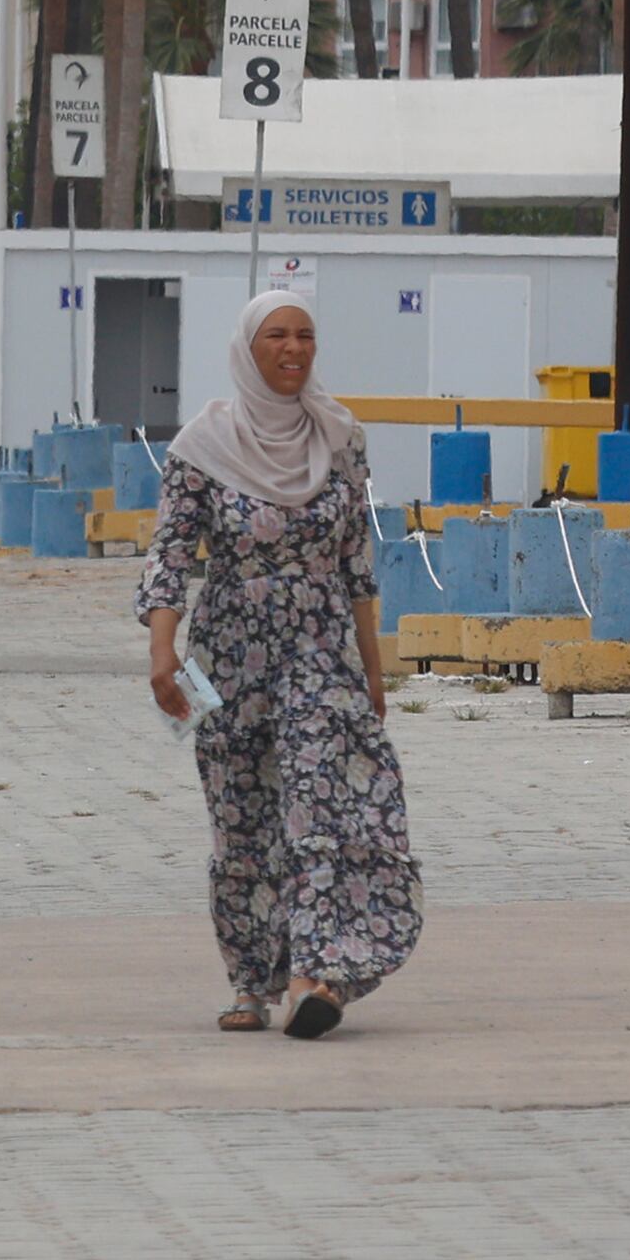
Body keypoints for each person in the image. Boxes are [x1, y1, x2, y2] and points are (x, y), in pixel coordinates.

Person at [139, 291, 420, 1039]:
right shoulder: (201, 445)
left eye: (304, 337)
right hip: (225, 657)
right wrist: (160, 653)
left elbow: (358, 561)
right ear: (246, 349)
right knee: (239, 819)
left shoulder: (339, 437)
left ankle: (314, 972)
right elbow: (170, 557)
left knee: (317, 804)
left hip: (321, 650)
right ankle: (247, 980)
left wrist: (371, 669)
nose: (292, 350)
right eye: (276, 337)